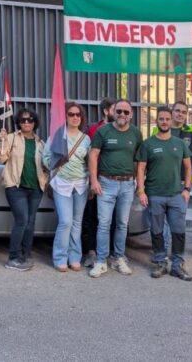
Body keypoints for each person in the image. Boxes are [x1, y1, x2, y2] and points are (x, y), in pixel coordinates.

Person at [88, 99, 143, 278]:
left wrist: (139, 184)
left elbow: (138, 160)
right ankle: (101, 261)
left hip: (127, 184)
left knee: (122, 224)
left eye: (126, 112)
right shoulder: (103, 131)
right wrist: (93, 181)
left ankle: (118, 258)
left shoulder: (136, 133)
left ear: (131, 114)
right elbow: (93, 155)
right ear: (113, 112)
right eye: (119, 111)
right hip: (106, 183)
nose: (122, 115)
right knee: (104, 224)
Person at [137, 107, 192, 281]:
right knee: (157, 231)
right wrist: (141, 191)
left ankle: (178, 265)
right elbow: (140, 168)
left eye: (167, 119)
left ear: (171, 121)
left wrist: (187, 189)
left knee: (178, 231)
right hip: (155, 194)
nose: (164, 122)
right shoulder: (148, 144)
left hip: (177, 195)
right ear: (157, 121)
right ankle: (161, 262)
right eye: (161, 119)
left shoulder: (179, 143)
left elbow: (188, 167)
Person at [0, 108, 47, 271]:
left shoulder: (40, 143)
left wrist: (45, 179)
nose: (26, 122)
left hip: (35, 188)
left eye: (30, 120)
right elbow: (0, 159)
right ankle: (13, 258)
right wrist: (1, 141)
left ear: (35, 123)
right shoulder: (11, 138)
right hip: (16, 187)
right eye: (23, 120)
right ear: (18, 122)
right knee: (22, 220)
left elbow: (45, 164)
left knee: (30, 223)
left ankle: (26, 254)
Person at [44, 103, 91, 272]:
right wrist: (55, 164)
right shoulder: (57, 136)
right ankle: (59, 257)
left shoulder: (86, 139)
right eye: (71, 114)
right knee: (65, 221)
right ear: (66, 116)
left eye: (78, 114)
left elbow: (89, 162)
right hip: (62, 183)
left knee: (77, 223)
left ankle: (75, 257)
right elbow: (46, 158)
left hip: (81, 185)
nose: (75, 117)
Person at [82, 97, 115, 268]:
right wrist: (90, 181)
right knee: (93, 218)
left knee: (114, 220)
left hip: (115, 181)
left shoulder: (123, 130)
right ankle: (92, 252)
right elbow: (87, 155)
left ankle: (110, 254)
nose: (119, 114)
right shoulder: (93, 129)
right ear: (106, 111)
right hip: (97, 180)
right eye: (115, 109)